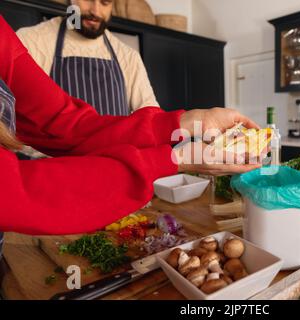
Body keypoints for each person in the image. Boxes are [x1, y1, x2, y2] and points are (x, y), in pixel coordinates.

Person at [0, 14, 260, 264]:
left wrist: (190, 121)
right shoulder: (36, 38)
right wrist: (172, 159)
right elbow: (15, 193)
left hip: (98, 186)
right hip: (65, 196)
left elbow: (66, 125)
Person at [16, 0, 158, 116]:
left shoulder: (128, 56)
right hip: (52, 151)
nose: (95, 11)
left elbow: (150, 116)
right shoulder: (31, 40)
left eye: (105, 2)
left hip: (113, 151)